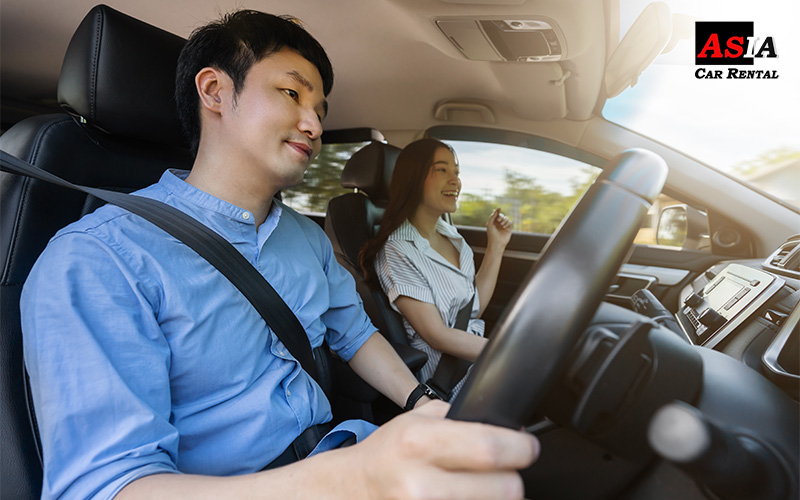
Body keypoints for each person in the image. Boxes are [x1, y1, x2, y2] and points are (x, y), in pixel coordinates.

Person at [20, 9, 538, 500]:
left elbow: (355, 335)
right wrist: (354, 479)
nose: (313, 125)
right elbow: (107, 487)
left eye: (320, 109)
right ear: (215, 91)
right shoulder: (98, 259)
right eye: (292, 93)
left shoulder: (307, 240)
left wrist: (422, 404)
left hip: (338, 449)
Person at [360, 138, 512, 400]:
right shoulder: (397, 250)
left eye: (456, 172)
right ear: (415, 178)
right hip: (448, 381)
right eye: (442, 170)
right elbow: (437, 335)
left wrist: (496, 246)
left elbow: (473, 308)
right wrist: (507, 353)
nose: (455, 180)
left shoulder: (453, 238)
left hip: (477, 363)